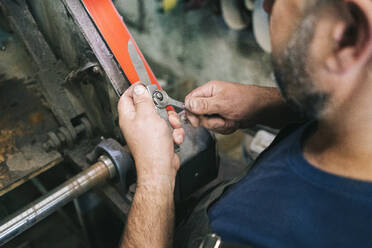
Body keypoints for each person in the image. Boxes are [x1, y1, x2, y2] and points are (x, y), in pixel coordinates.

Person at [117, 0, 372, 247]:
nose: (266, 7)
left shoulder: (255, 232)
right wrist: (267, 105)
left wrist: (154, 181)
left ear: (348, 35)